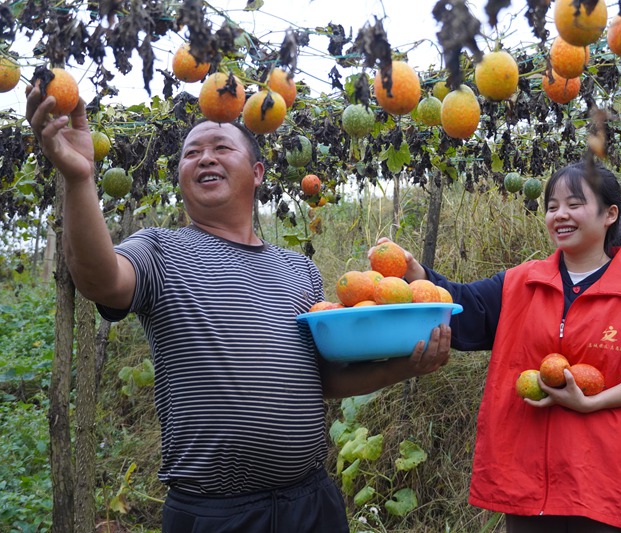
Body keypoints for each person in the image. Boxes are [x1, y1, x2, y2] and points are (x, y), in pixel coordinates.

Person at [25, 85, 452, 532]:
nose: (204, 158)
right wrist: (78, 179)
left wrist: (410, 365)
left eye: (221, 147)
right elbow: (100, 279)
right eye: (192, 154)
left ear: (258, 172)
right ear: (181, 176)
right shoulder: (160, 250)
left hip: (312, 504)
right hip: (216, 515)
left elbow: (322, 378)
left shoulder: (299, 269)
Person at [383, 161, 621, 533]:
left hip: (601, 484)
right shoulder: (520, 283)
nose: (560, 214)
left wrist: (591, 402)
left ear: (610, 214)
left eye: (574, 204)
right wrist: (415, 274)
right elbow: (463, 307)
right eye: (552, 206)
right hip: (525, 484)